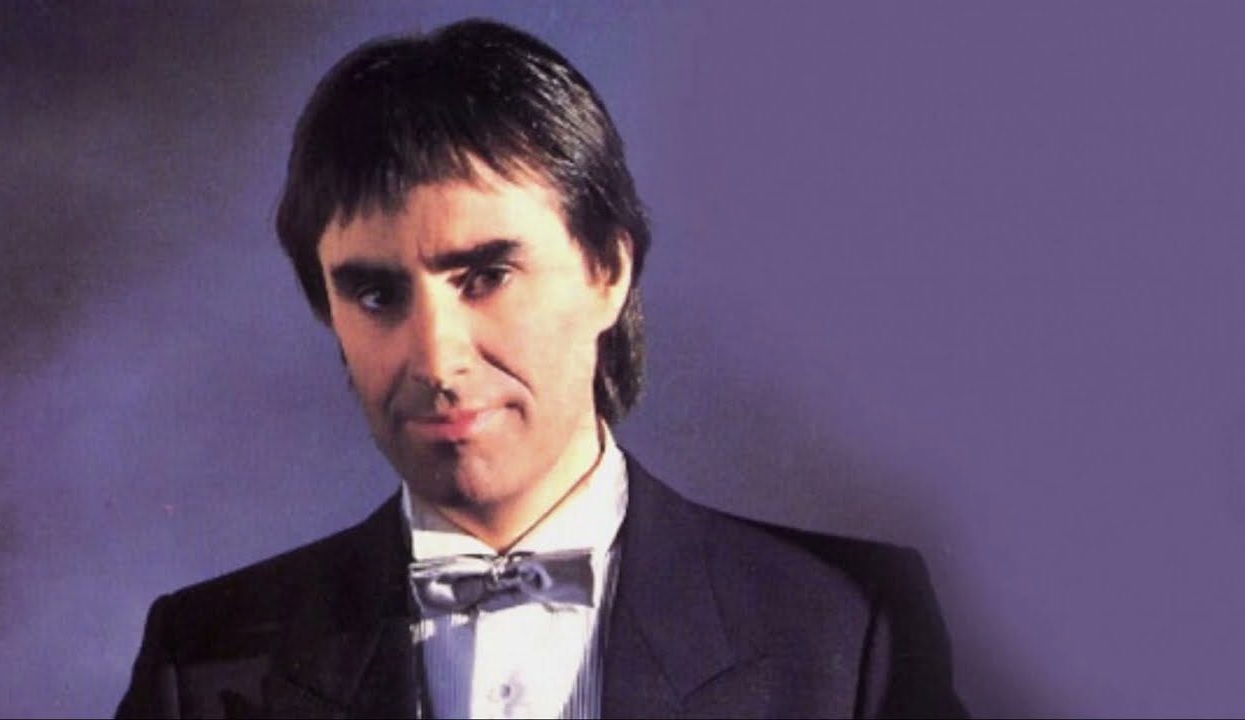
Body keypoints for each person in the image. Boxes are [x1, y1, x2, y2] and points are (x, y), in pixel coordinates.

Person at [116, 18, 966, 719]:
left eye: (486, 276)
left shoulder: (850, 630)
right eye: (376, 295)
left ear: (608, 271)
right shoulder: (197, 661)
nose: (436, 358)